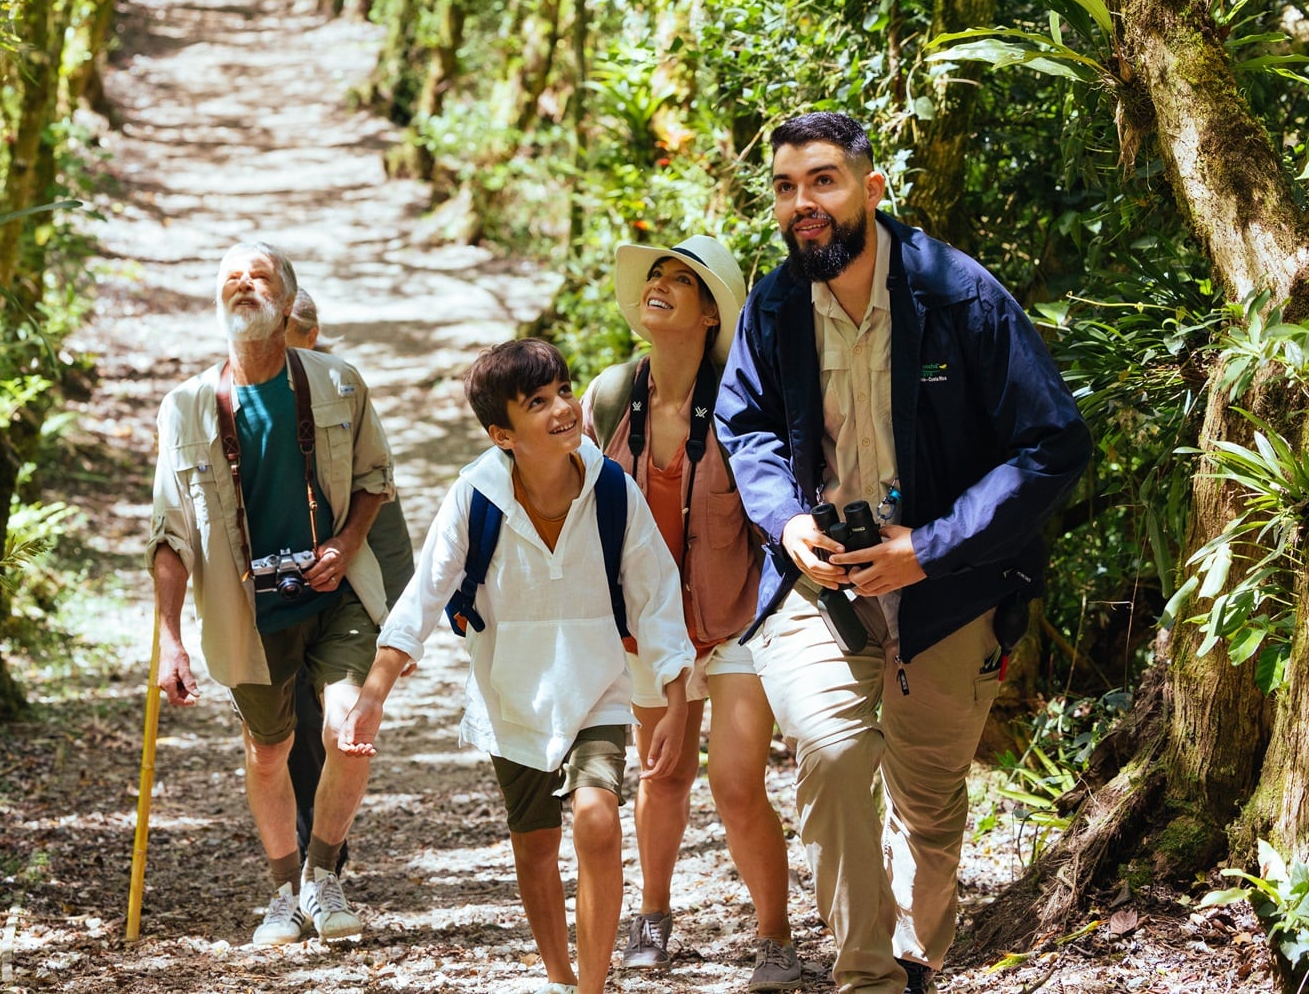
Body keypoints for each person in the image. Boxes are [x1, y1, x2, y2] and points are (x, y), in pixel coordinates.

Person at [713, 112, 1090, 994]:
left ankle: (918, 954)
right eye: (784, 187)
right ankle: (868, 976)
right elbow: (745, 424)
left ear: (872, 188)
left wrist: (931, 545)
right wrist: (783, 518)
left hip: (948, 587)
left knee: (927, 800)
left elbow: (1053, 443)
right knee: (837, 754)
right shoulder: (773, 305)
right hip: (821, 585)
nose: (802, 203)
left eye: (823, 181)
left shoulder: (957, 294)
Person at [338, 338, 695, 994]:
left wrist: (674, 697)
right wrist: (373, 693)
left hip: (598, 688)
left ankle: (591, 985)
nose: (563, 407)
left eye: (564, 389)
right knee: (534, 844)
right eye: (539, 401)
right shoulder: (476, 496)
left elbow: (657, 592)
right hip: (512, 692)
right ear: (503, 432)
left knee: (596, 816)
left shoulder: (612, 487)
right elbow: (421, 597)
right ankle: (560, 977)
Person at [148, 242, 397, 945]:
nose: (245, 284)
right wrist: (170, 638)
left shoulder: (338, 382)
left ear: (288, 301)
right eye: (231, 276)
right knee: (269, 750)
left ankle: (324, 876)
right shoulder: (186, 408)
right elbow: (170, 535)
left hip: (337, 591)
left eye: (260, 275)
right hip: (245, 610)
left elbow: (377, 478)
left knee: (348, 731)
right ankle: (283, 891)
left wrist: (344, 546)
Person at [580, 235, 801, 990]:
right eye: (655, 275)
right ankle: (654, 914)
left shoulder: (743, 401)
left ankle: (774, 934)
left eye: (682, 279)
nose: (661, 284)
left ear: (710, 312)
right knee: (663, 771)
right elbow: (577, 512)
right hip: (650, 627)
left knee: (737, 782)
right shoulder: (609, 399)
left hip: (739, 614)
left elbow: (777, 510)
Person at [282, 289, 416, 876]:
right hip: (273, 597)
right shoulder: (232, 398)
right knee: (290, 728)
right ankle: (304, 848)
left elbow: (380, 501)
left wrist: (401, 620)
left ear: (310, 336)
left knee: (329, 721)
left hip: (344, 593)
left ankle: (322, 855)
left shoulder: (342, 395)